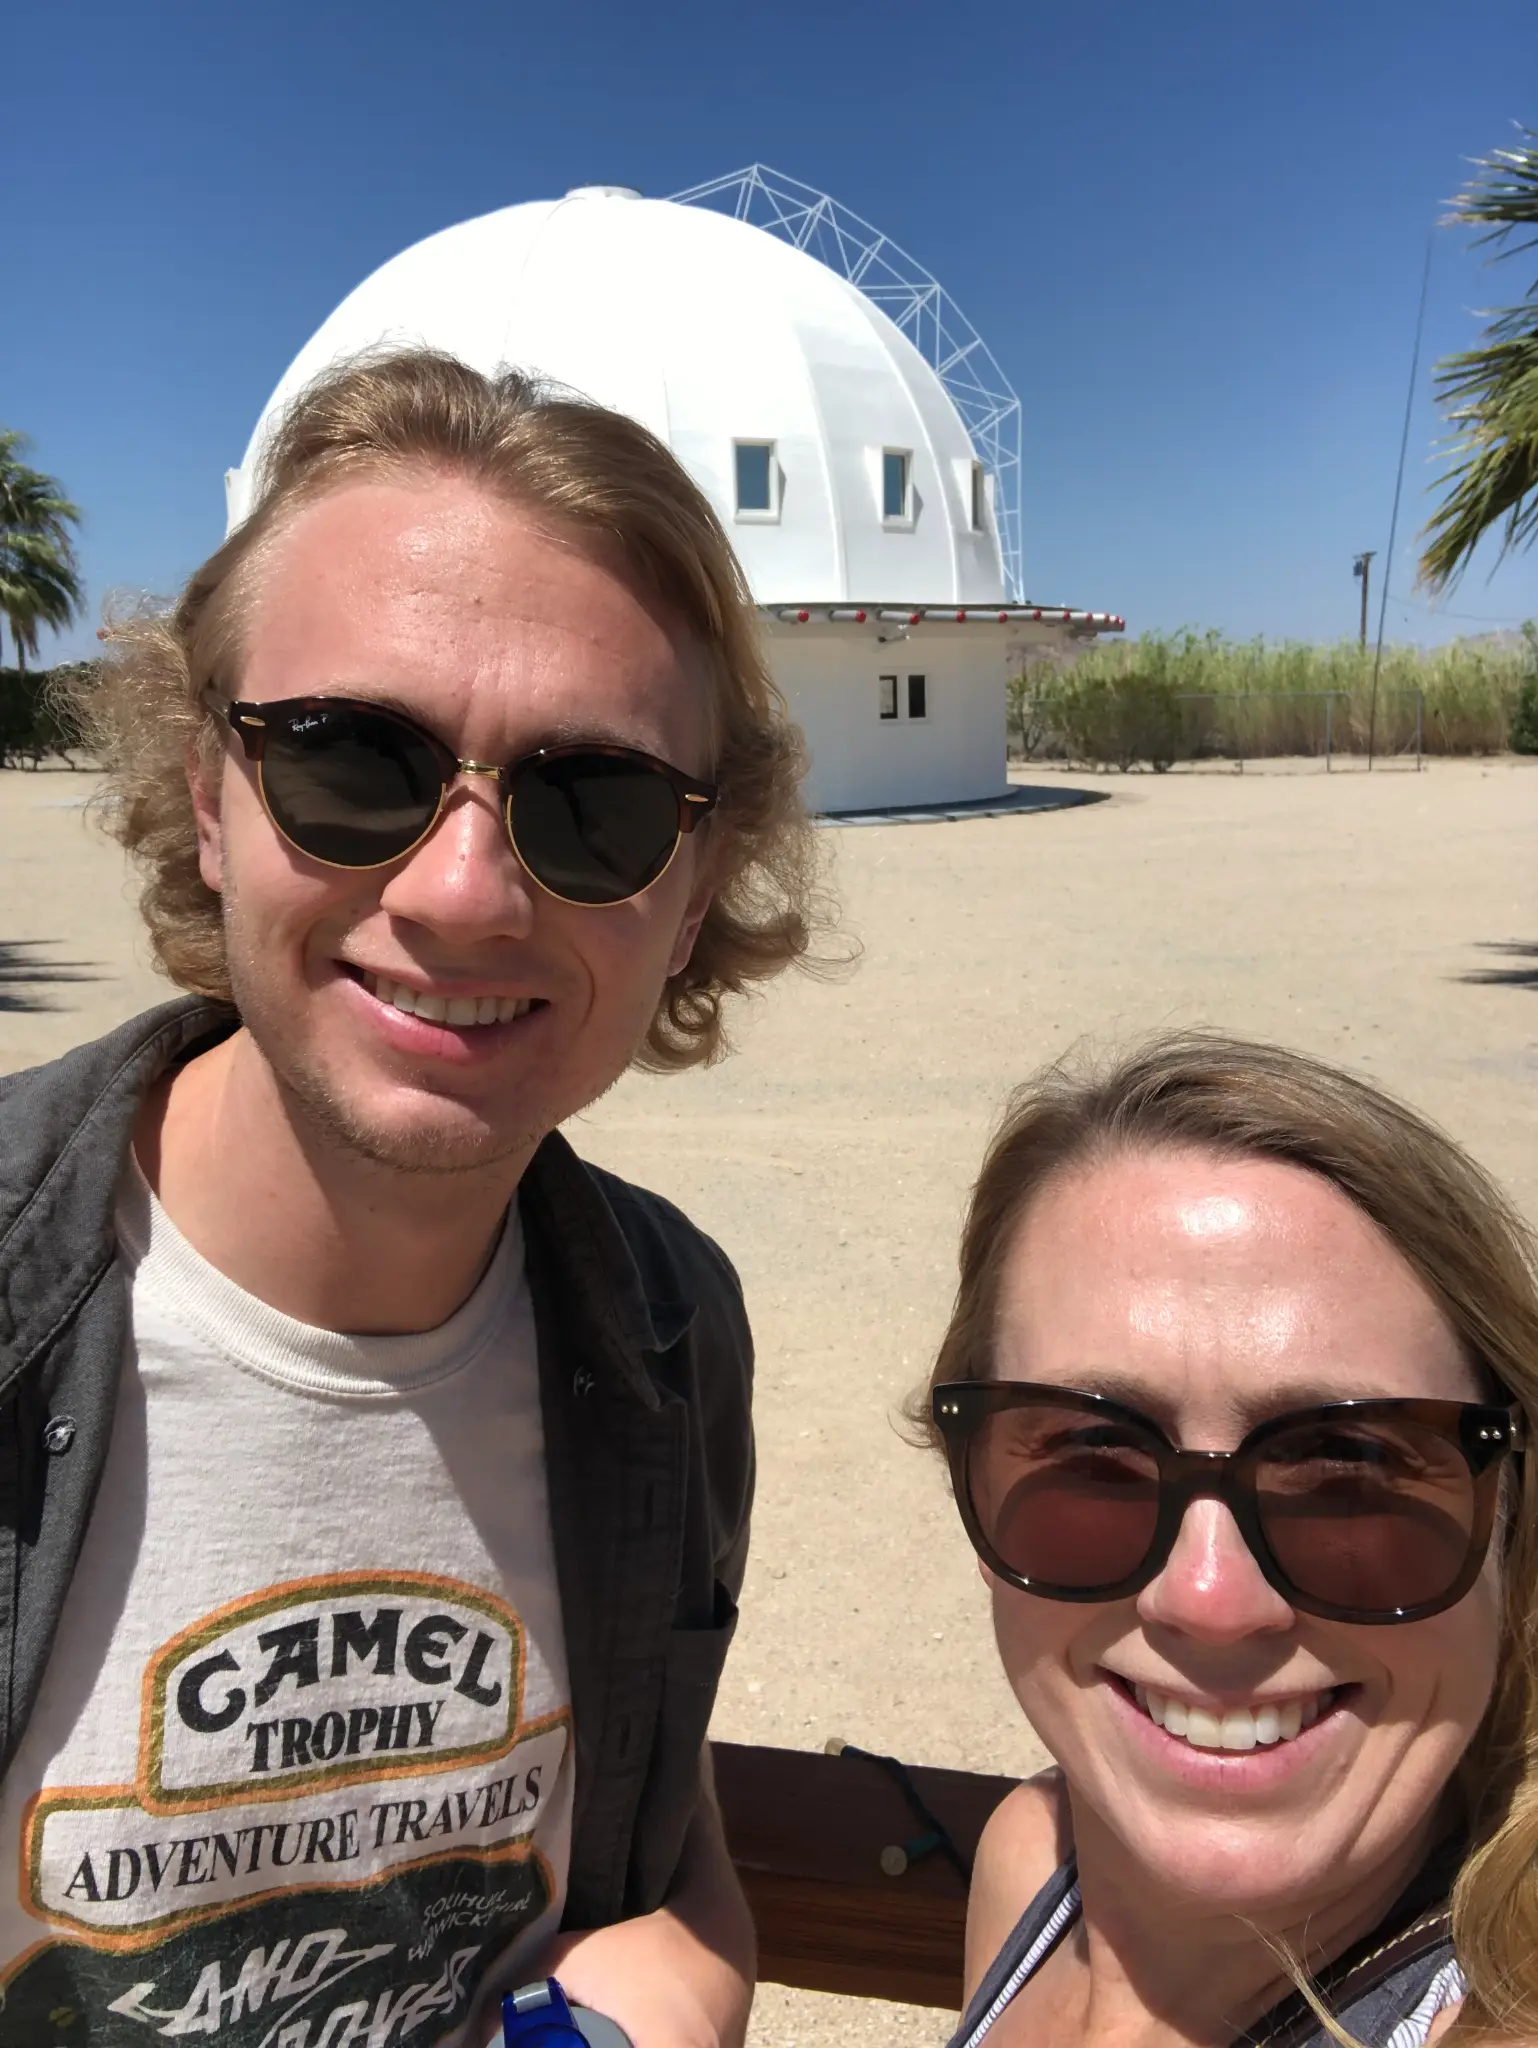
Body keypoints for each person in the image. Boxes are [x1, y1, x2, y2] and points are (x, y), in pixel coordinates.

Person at [0, 348, 822, 2048]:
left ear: (692, 890)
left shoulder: (665, 1327)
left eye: (588, 802)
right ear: (210, 791)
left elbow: (659, 1857)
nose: (461, 892)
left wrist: (691, 1973)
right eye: (352, 759)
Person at [914, 1034, 1538, 2048]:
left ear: (1509, 1507)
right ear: (972, 1487)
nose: (1208, 1595)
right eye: (1090, 1454)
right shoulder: (1036, 1858)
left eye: (1350, 1467)